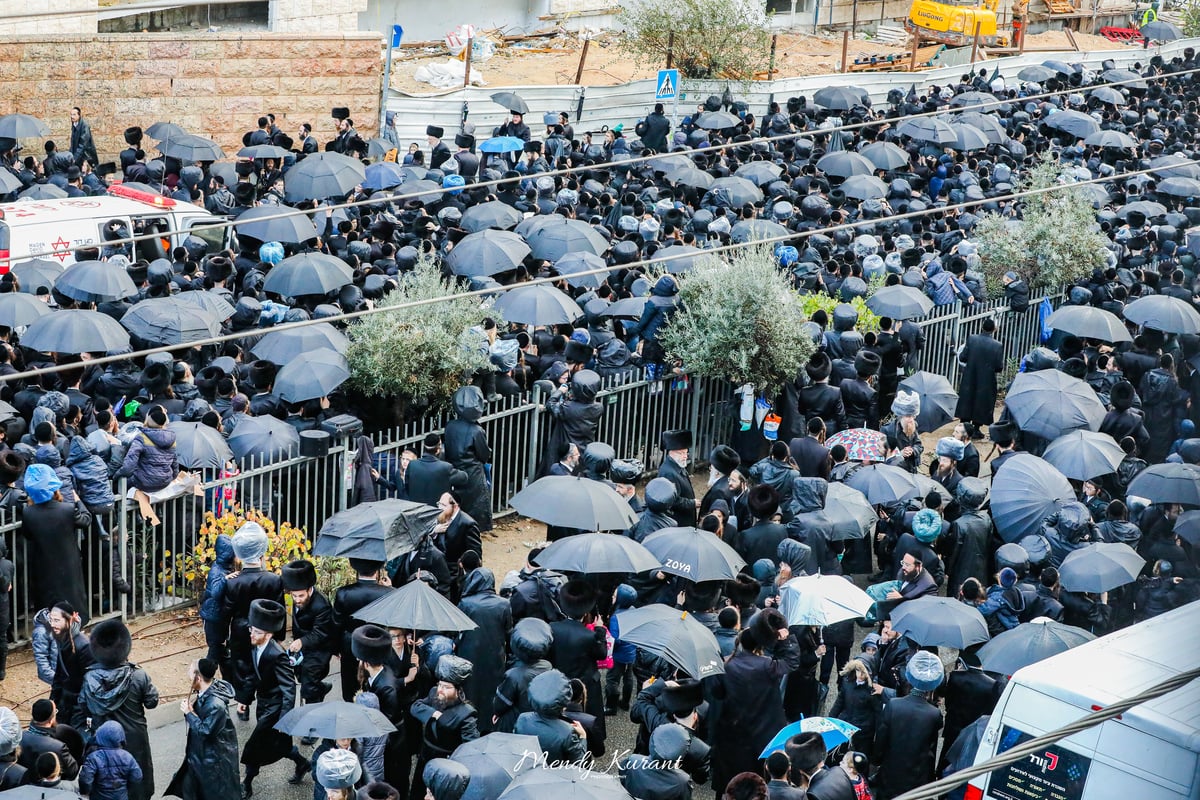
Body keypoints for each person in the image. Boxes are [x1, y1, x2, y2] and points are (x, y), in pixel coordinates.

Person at [711, 610, 801, 794]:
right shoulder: (767, 665)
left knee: (731, 780)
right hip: (762, 734)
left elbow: (716, 693)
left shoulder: (727, 665)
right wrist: (787, 639)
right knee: (756, 783)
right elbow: (791, 662)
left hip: (733, 733)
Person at [74, 619, 159, 800]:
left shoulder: (89, 678)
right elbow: (152, 702)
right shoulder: (138, 675)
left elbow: (83, 706)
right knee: (137, 783)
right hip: (135, 738)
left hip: (102, 740)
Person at [238, 599, 309, 797]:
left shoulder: (277, 655)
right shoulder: (254, 645)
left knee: (253, 746)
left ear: (268, 635)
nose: (251, 633)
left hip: (275, 710)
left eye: (257, 632)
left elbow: (289, 689)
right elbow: (253, 676)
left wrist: (285, 719)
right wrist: (244, 699)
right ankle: (303, 763)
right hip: (263, 704)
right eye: (251, 629)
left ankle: (247, 782)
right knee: (281, 745)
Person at [222, 522, 284, 717]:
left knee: (242, 665)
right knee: (265, 665)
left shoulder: (233, 581)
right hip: (266, 629)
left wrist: (224, 635)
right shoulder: (274, 579)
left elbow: (226, 611)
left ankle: (243, 704)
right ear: (262, 552)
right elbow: (280, 609)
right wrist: (280, 635)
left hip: (240, 629)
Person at [20, 463, 91, 619]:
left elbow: (27, 534)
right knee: (73, 605)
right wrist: (78, 501)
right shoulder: (67, 509)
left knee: (48, 610)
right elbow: (86, 520)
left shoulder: (28, 513)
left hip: (43, 567)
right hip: (69, 565)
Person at [164, 658, 240, 800]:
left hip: (212, 760)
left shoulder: (216, 705)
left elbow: (206, 731)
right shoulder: (206, 691)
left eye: (190, 672)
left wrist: (189, 713)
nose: (188, 674)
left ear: (198, 678)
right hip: (200, 755)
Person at [872, 651, 944, 800]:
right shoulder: (934, 714)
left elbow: (881, 739)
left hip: (890, 773)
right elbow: (930, 751)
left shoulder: (893, 705)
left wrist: (877, 761)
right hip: (916, 778)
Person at [409, 655, 480, 800]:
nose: (440, 690)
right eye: (440, 685)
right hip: (426, 756)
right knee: (417, 793)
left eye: (446, 687)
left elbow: (470, 746)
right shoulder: (434, 693)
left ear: (458, 691)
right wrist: (434, 713)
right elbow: (415, 706)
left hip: (445, 765)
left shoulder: (467, 713)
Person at [456, 566, 512, 733]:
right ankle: (489, 725)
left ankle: (470, 725)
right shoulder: (504, 604)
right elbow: (508, 631)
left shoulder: (465, 603)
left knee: (470, 691)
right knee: (490, 691)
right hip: (494, 655)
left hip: (469, 654)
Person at [334, 559, 393, 702]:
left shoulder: (343, 593)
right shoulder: (388, 593)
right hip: (378, 642)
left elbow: (336, 624)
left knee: (350, 684)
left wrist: (336, 649)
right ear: (377, 570)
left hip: (350, 643)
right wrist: (391, 588)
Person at [282, 559, 336, 706]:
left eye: (301, 596)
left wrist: (301, 641)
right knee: (301, 676)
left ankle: (314, 708)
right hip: (304, 647)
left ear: (309, 589)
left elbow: (321, 633)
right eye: (294, 596)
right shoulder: (298, 593)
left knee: (308, 688)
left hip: (319, 650)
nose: (297, 600)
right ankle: (320, 687)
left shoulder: (322, 605)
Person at [443, 386, 493, 533]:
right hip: (473, 473)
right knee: (476, 507)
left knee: (459, 504)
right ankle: (474, 531)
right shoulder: (477, 431)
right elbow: (484, 454)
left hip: (455, 471)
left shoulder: (450, 426)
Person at [493, 617, 554, 733]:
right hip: (540, 719)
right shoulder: (548, 666)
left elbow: (501, 703)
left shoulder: (513, 675)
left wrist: (497, 712)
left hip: (518, 721)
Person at [514, 669, 588, 763]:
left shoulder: (522, 719)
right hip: (555, 775)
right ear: (564, 702)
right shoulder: (567, 732)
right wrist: (583, 736)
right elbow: (579, 763)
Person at [198, 534, 235, 681]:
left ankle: (228, 680)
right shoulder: (218, 571)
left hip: (217, 616)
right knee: (215, 650)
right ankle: (205, 678)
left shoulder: (223, 567)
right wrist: (226, 580)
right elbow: (215, 592)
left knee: (221, 650)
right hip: (214, 618)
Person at [434, 493, 482, 604]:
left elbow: (475, 555)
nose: (439, 508)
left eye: (443, 505)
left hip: (455, 579)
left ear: (455, 506)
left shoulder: (468, 524)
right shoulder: (440, 518)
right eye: (439, 504)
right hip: (439, 574)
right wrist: (435, 532)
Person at [79, 721, 143, 800]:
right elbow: (137, 777)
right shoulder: (127, 756)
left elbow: (85, 780)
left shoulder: (93, 757)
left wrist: (86, 792)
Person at [19, 699, 79, 780]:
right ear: (51, 720)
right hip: (48, 787)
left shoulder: (19, 737)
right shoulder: (59, 747)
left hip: (22, 783)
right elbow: (73, 771)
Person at [404, 434, 467, 506]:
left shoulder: (412, 465)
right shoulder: (445, 467)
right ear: (437, 450)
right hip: (437, 511)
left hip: (416, 511)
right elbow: (464, 478)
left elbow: (407, 487)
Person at [656, 429, 698, 527]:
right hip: (678, 522)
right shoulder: (668, 472)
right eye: (681, 453)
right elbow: (672, 500)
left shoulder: (678, 466)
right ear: (671, 453)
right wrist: (692, 503)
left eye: (686, 453)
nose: (685, 456)